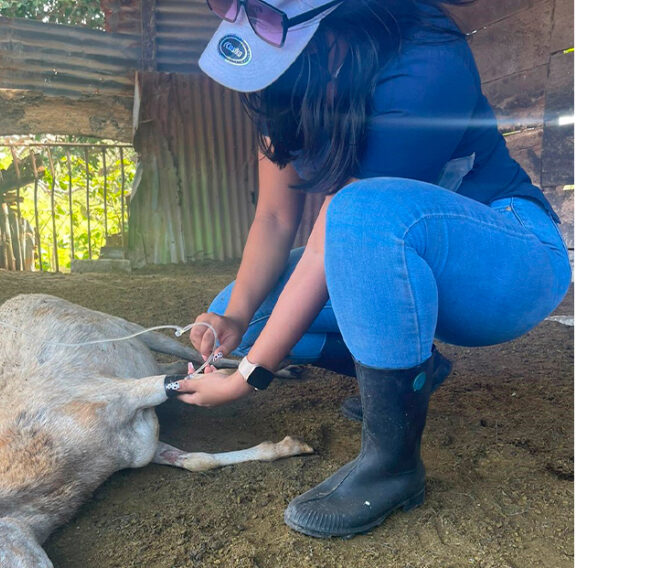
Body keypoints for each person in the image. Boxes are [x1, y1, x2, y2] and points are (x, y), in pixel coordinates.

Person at [172, 0, 572, 538]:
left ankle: (391, 465)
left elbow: (340, 228)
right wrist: (236, 318)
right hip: (406, 263)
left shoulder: (427, 59)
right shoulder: (287, 86)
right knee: (240, 310)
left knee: (362, 212)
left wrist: (249, 376)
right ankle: (416, 371)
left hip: (510, 266)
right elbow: (272, 216)